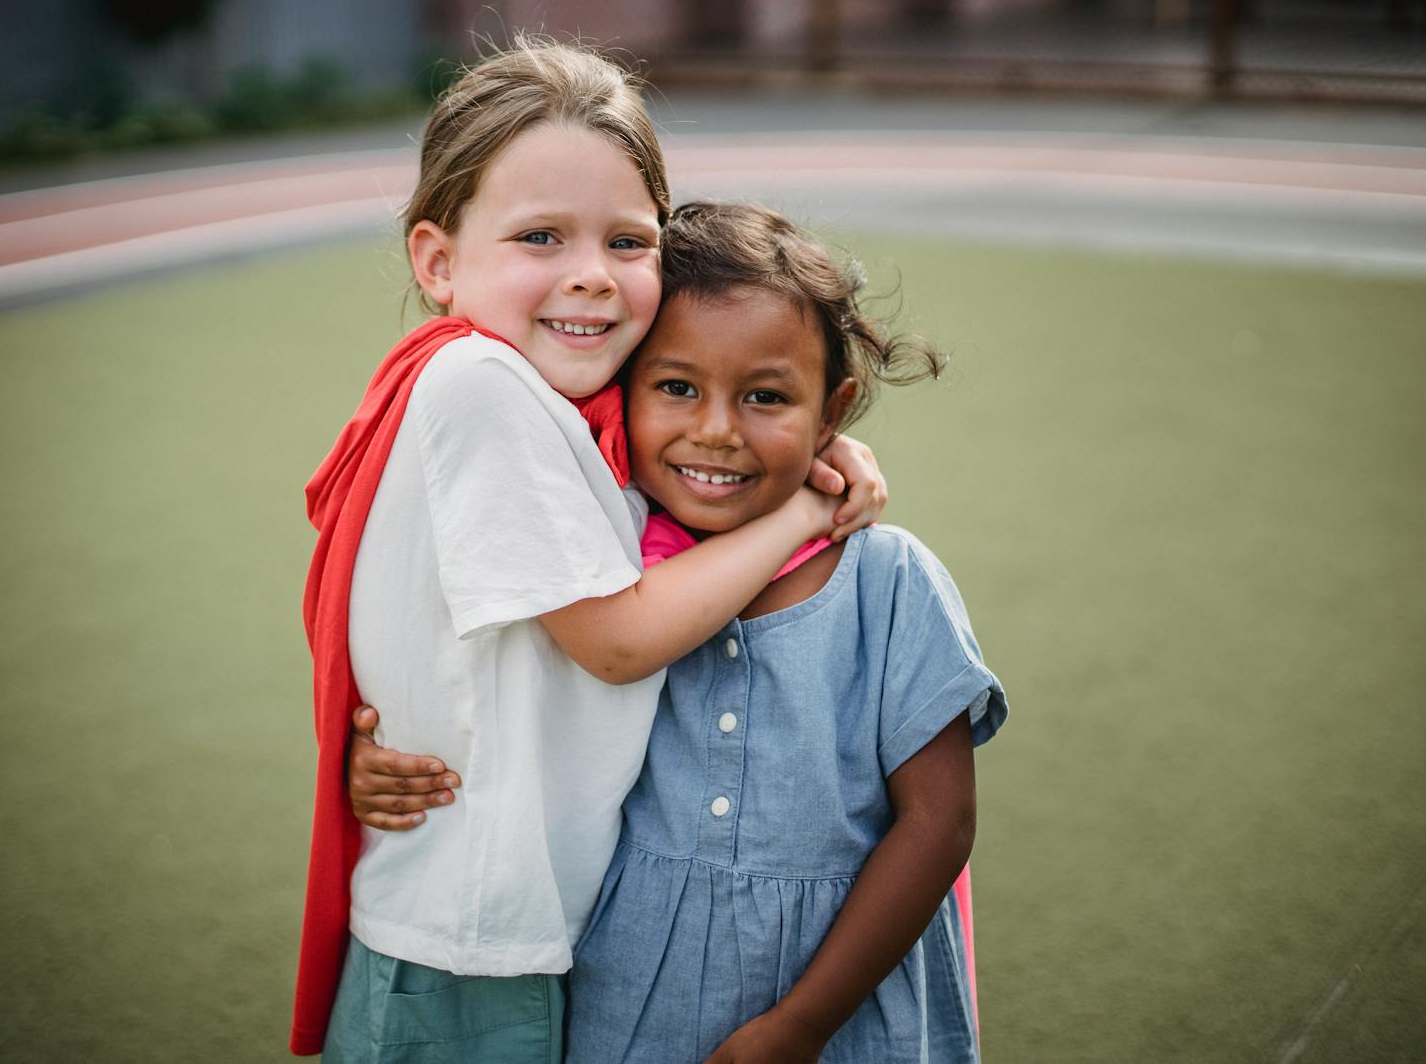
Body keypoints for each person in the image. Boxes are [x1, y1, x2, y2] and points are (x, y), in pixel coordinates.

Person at [293, 40, 888, 1061]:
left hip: (501, 932)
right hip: (466, 956)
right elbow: (614, 641)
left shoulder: (549, 402)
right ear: (437, 260)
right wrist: (800, 512)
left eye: (626, 240)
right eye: (538, 236)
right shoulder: (482, 386)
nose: (591, 278)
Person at [350, 202, 1008, 1063]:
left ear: (832, 409)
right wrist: (386, 759)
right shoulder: (598, 574)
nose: (716, 430)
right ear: (620, 390)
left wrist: (800, 1026)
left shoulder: (889, 583)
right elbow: (502, 718)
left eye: (767, 396)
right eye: (676, 386)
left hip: (844, 1013)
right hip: (627, 1006)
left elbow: (940, 822)